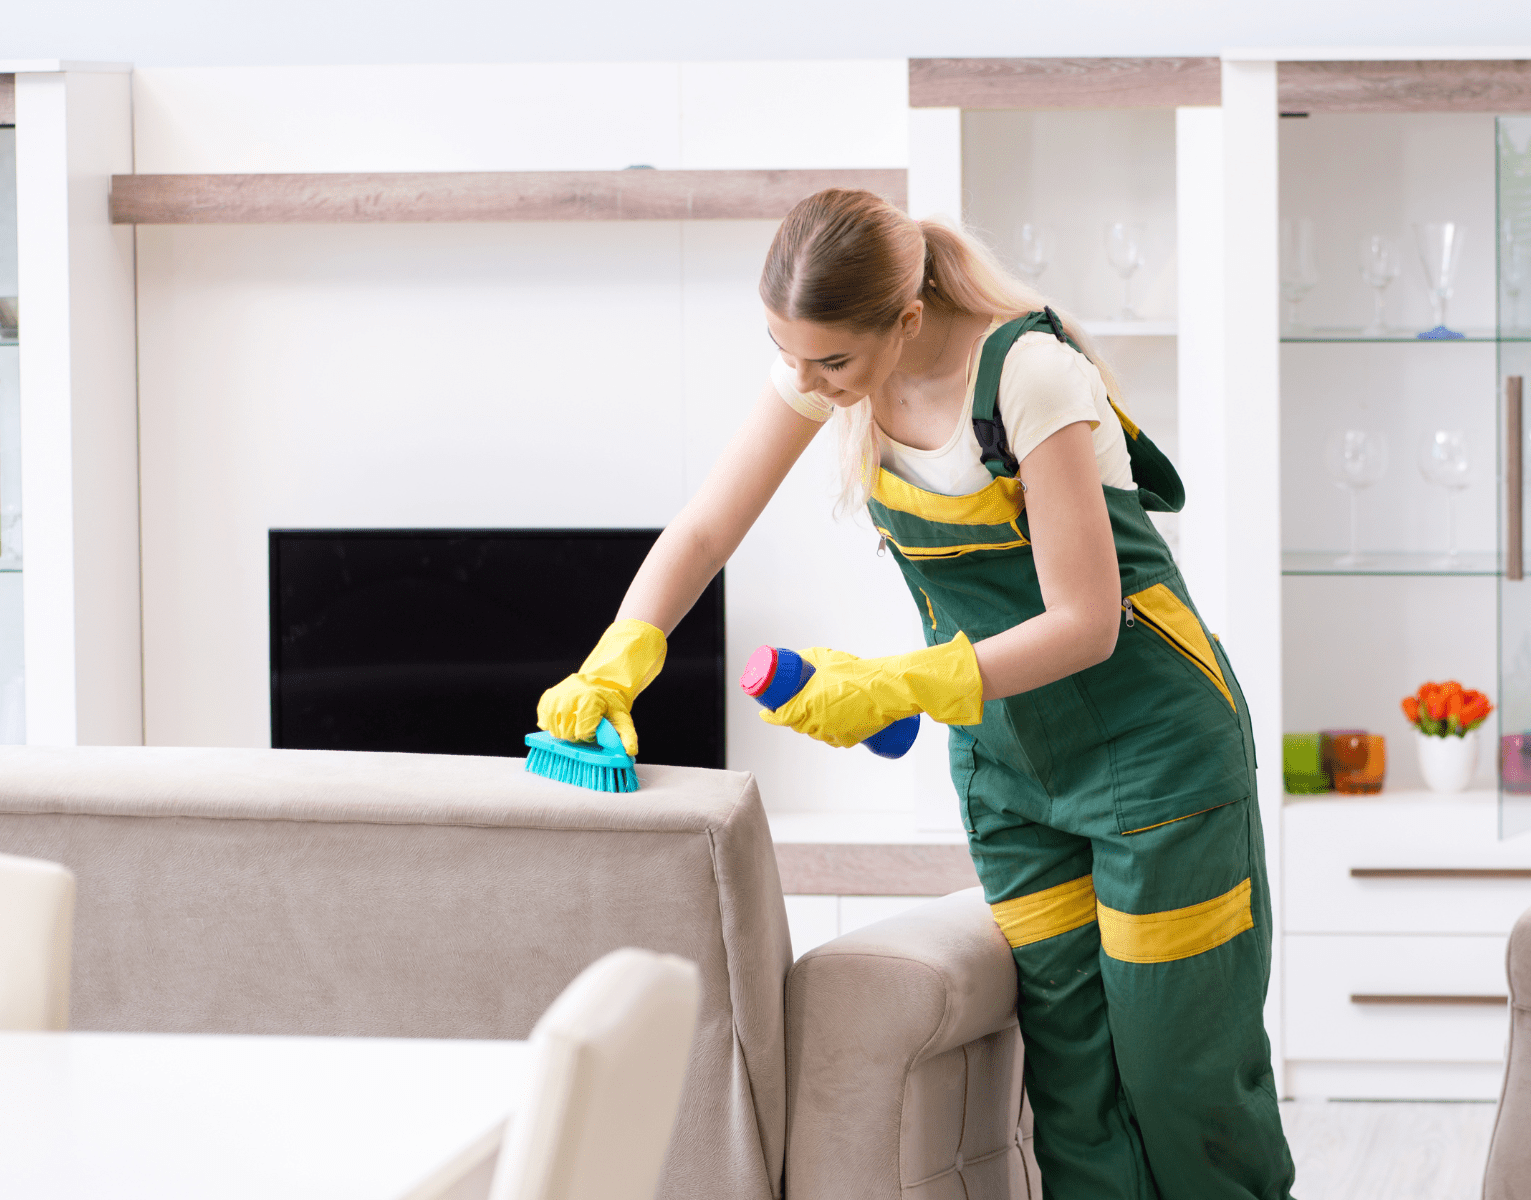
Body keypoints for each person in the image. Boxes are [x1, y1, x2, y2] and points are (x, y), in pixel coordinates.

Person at [536, 188, 1296, 1199]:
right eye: (784, 352)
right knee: (1072, 1091)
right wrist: (618, 654)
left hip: (1159, 755)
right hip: (1015, 772)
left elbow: (1087, 620)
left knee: (1179, 1079)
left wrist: (899, 684)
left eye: (829, 363)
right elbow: (708, 528)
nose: (806, 381)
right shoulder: (828, 365)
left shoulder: (1027, 375)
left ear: (903, 320)